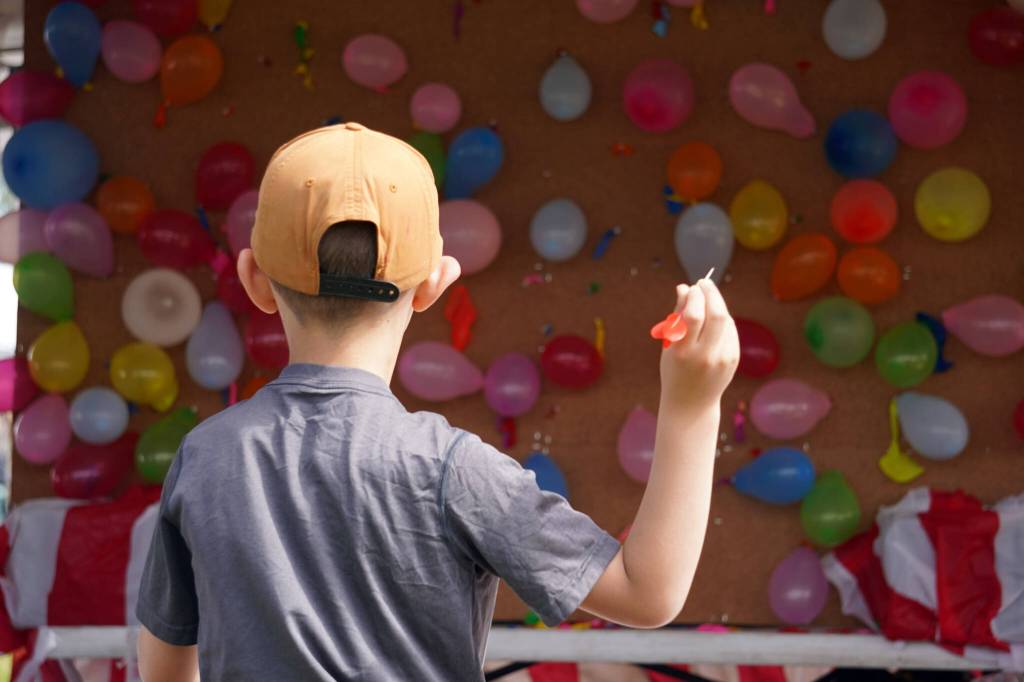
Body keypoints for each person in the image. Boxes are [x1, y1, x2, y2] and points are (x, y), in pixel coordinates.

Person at [136, 123, 739, 681]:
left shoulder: (205, 457)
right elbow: (647, 592)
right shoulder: (452, 469)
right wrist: (693, 406)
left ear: (253, 280)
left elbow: (165, 672)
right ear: (434, 283)